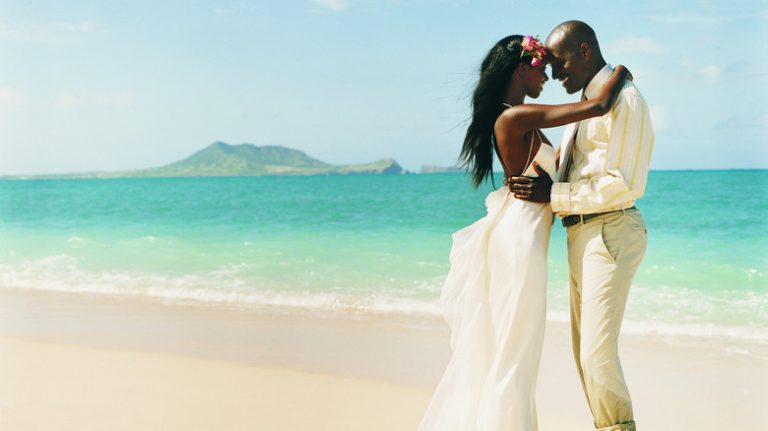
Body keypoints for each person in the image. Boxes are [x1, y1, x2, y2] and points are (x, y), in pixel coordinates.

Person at [417, 34, 630, 431]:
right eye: (540, 67)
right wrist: (621, 73)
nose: (547, 75)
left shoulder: (515, 115)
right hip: (518, 243)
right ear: (520, 69)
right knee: (515, 352)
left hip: (522, 238)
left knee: (516, 350)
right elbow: (598, 106)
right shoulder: (514, 117)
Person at [508, 21, 654, 431]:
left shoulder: (624, 100)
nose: (555, 75)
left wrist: (551, 196)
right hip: (582, 233)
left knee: (596, 354)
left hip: (610, 230)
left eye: (561, 62)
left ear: (586, 51)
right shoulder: (589, 102)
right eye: (550, 66)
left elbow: (625, 184)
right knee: (583, 354)